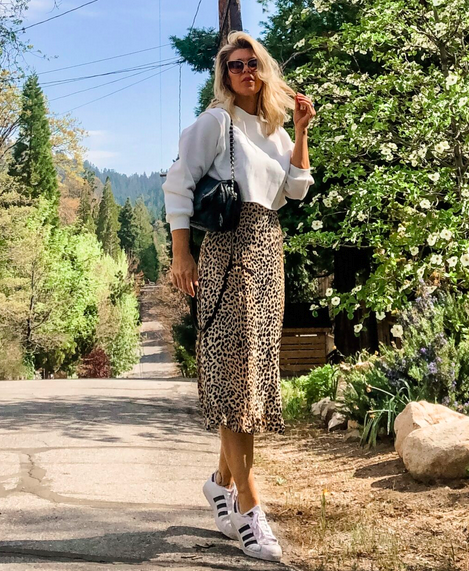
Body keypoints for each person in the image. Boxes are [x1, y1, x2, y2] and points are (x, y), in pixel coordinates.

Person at [161, 30, 316, 562]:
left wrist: (299, 131)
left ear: (263, 68)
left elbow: (295, 189)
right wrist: (183, 255)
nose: (246, 71)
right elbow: (177, 184)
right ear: (224, 75)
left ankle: (219, 484)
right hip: (228, 253)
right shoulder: (216, 122)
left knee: (249, 379)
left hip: (268, 250)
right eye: (235, 65)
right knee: (233, 378)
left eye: (253, 63)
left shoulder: (272, 128)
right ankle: (250, 509)